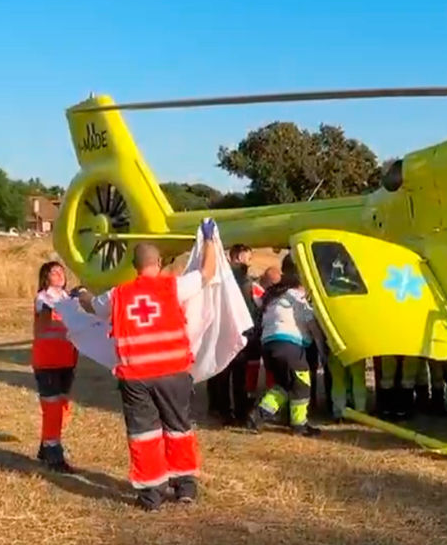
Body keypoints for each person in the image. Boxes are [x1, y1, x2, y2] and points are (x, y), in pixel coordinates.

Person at [77, 219, 219, 511]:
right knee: (178, 428)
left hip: (136, 375)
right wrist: (208, 239)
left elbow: (92, 306)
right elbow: (208, 272)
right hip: (172, 372)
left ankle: (150, 494)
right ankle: (185, 487)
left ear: (134, 264)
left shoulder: (118, 295)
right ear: (157, 262)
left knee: (144, 434)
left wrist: (80, 294)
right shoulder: (173, 287)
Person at [248, 254, 322, 436]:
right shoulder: (296, 296)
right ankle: (299, 425)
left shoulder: (273, 295)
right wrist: (321, 348)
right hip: (289, 344)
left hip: (269, 345)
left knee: (285, 384)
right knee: (302, 383)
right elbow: (311, 322)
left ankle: (259, 414)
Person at [32, 261, 80, 473]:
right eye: (54, 272)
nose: (60, 274)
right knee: (52, 409)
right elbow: (44, 310)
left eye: (62, 270)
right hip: (48, 361)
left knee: (62, 408)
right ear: (45, 277)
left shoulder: (68, 298)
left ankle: (46, 446)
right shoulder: (43, 297)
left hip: (66, 361)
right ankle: (54, 455)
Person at [207, 243, 263, 426]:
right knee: (236, 373)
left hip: (222, 329)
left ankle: (223, 409)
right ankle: (237, 411)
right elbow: (251, 305)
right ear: (239, 257)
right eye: (248, 257)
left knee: (224, 371)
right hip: (239, 330)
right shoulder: (240, 278)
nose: (250, 261)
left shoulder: (220, 276)